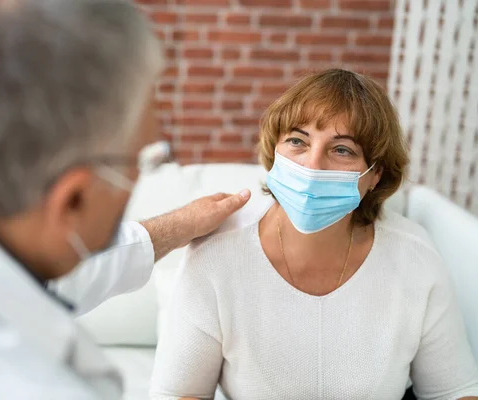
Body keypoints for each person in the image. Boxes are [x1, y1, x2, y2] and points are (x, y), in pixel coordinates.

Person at [0, 0, 251, 398]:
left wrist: (179, 226)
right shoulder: (10, 381)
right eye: (143, 159)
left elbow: (37, 272)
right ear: (72, 200)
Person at [150, 69, 478, 400]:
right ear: (275, 149)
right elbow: (179, 393)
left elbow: (454, 391)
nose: (313, 165)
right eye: (297, 141)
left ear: (375, 174)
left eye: (342, 150)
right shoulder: (216, 253)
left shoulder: (415, 258)